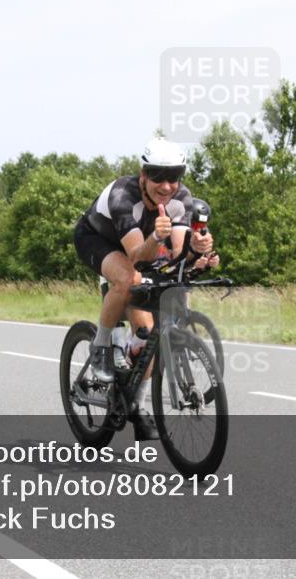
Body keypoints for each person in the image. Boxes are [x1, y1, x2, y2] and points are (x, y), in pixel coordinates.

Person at [73, 136, 214, 440]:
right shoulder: (124, 195)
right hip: (99, 240)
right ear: (143, 175)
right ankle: (101, 344)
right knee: (128, 279)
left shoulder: (181, 199)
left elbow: (176, 256)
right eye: (158, 177)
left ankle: (135, 406)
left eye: (173, 177)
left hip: (141, 246)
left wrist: (197, 249)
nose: (166, 186)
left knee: (148, 335)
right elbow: (136, 258)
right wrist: (155, 239)